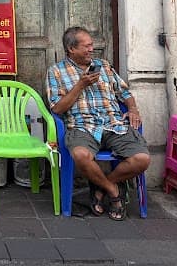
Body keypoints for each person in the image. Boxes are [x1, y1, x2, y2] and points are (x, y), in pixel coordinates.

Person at [45, 26, 150, 221]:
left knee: (142, 159)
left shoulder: (104, 66)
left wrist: (133, 109)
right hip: (81, 126)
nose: (91, 49)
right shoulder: (56, 72)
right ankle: (113, 190)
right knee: (80, 155)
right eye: (86, 46)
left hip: (113, 123)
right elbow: (57, 109)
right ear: (71, 49)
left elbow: (125, 93)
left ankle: (100, 188)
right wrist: (80, 85)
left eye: (91, 45)